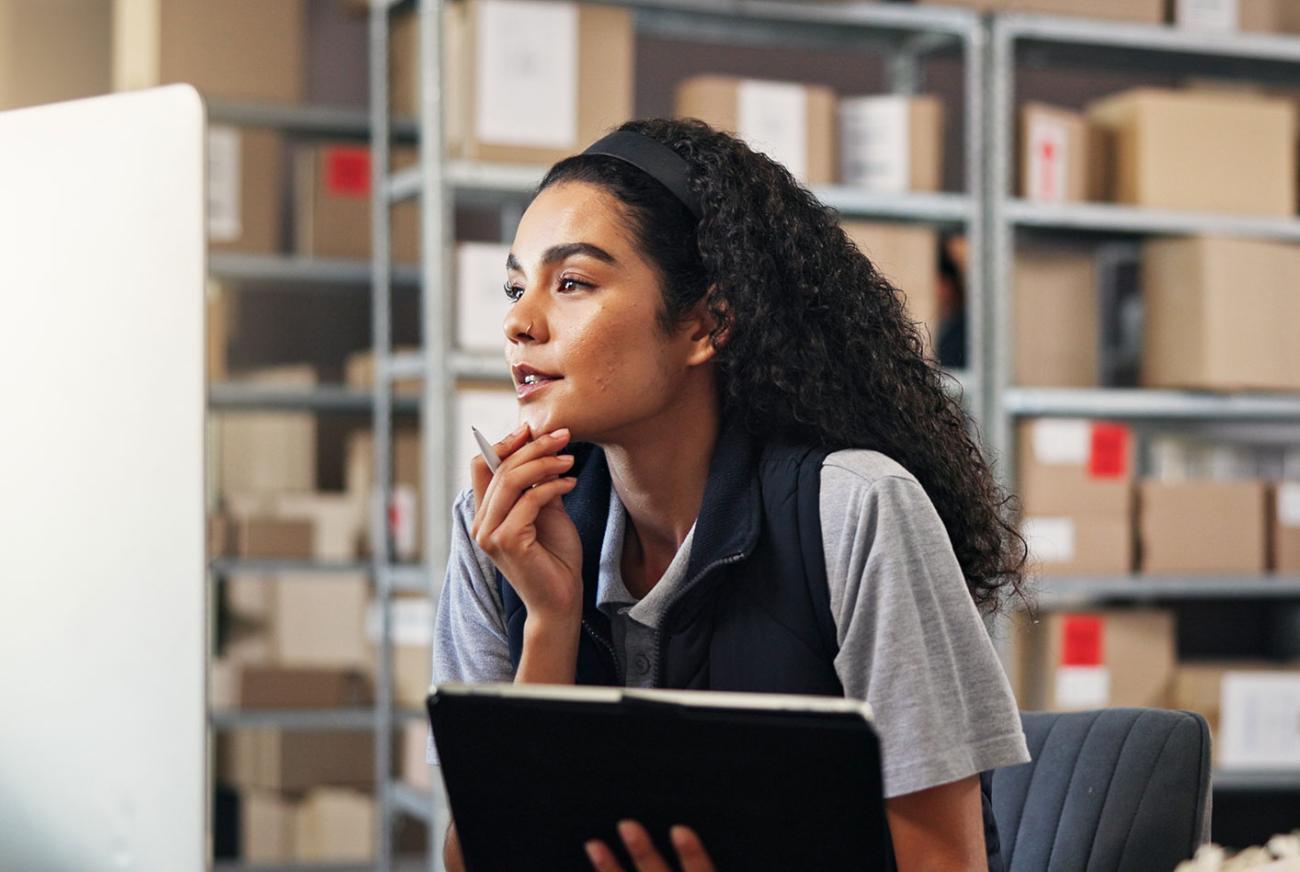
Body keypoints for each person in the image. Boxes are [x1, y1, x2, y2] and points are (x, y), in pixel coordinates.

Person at [431, 118, 1031, 872]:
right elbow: (472, 860)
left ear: (706, 323)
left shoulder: (855, 511)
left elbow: (947, 863)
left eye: (572, 282)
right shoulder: (499, 531)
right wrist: (550, 622)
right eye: (516, 286)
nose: (519, 322)